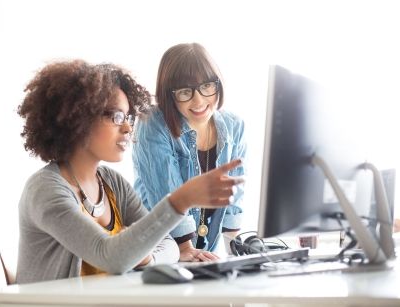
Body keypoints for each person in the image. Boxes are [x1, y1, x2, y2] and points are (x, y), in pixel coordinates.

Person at [16, 59, 243, 284]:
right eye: (116, 117)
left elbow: (170, 245)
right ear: (79, 119)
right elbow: (112, 257)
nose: (127, 128)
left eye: (128, 117)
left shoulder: (111, 183)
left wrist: (143, 254)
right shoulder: (45, 190)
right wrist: (181, 200)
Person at [132, 43, 247, 261]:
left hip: (202, 254)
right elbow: (165, 194)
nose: (199, 100)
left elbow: (234, 199)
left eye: (206, 86)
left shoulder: (234, 126)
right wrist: (184, 248)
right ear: (169, 95)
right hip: (157, 251)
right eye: (185, 92)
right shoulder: (152, 123)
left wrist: (238, 253)